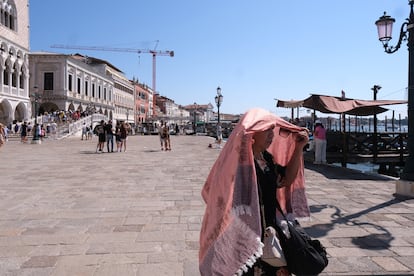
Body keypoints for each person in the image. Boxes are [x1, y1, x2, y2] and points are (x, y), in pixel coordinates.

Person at [199, 108, 310, 276]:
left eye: (272, 130)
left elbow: (286, 179)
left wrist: (298, 148)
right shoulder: (239, 162)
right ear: (253, 133)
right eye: (267, 130)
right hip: (246, 233)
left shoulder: (267, 158)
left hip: (269, 230)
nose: (272, 134)